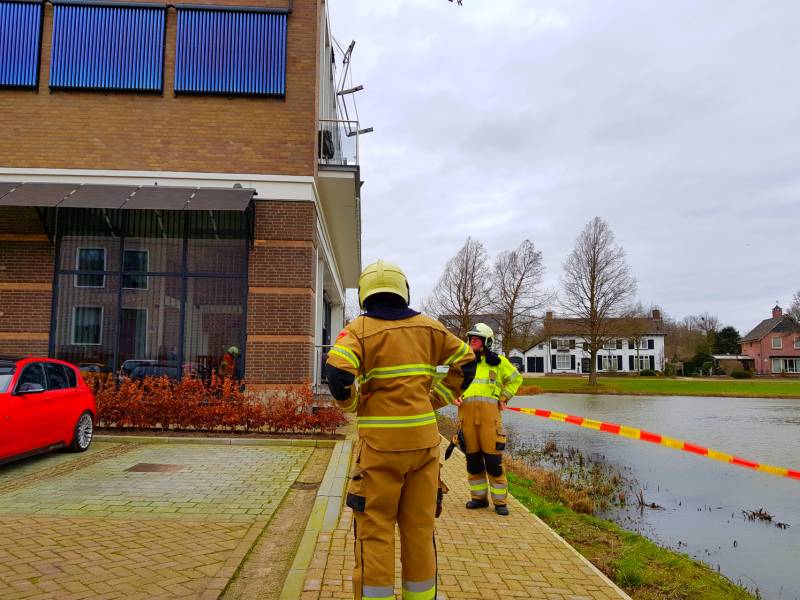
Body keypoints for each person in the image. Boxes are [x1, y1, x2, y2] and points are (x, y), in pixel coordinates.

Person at [325, 260, 476, 600]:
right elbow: (467, 362)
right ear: (403, 291)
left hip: (380, 450)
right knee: (420, 529)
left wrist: (353, 405)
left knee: (375, 529)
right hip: (424, 447)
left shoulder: (358, 330)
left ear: (365, 294)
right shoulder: (431, 327)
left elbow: (338, 374)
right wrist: (436, 398)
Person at [453, 323, 522, 516]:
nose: (472, 341)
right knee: (473, 462)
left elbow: (516, 379)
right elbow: (453, 383)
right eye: (471, 338)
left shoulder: (499, 362)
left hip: (490, 421)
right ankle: (479, 499)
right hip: (466, 419)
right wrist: (455, 395)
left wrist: (504, 396)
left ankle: (500, 502)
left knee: (493, 463)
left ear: (487, 342)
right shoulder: (464, 363)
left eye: (477, 338)